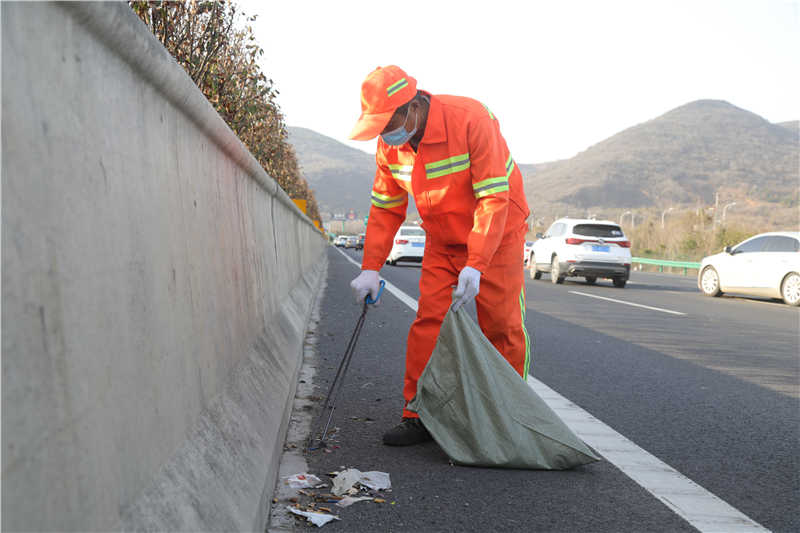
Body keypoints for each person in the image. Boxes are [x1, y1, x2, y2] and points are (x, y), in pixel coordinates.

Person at [349, 66, 531, 446]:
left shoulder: (471, 119)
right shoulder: (390, 147)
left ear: (413, 107)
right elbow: (385, 208)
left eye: (390, 122)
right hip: (442, 238)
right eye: (379, 126)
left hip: (497, 233)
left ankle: (511, 418)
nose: (385, 134)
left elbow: (494, 198)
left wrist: (477, 263)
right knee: (429, 323)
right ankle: (419, 414)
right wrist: (370, 268)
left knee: (501, 326)